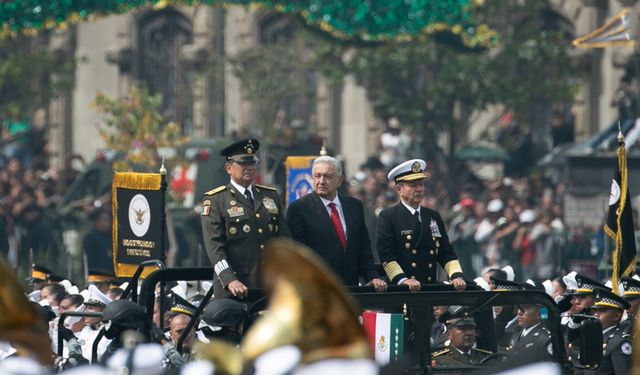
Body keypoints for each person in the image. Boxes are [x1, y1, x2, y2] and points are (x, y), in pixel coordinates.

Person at [201, 139, 289, 299]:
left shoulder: (270, 196)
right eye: (243, 163)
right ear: (229, 168)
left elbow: (284, 239)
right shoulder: (216, 200)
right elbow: (215, 249)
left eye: (253, 163)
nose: (250, 168)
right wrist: (229, 280)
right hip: (236, 288)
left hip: (270, 286)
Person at [286, 156, 385, 290]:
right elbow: (299, 254)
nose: (321, 181)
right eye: (317, 176)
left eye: (327, 176)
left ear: (339, 180)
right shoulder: (299, 208)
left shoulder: (354, 206)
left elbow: (363, 248)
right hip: (319, 288)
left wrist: (372, 277)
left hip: (351, 288)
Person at [377, 159, 465, 291]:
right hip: (402, 290)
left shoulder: (432, 216)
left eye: (421, 184)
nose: (419, 189)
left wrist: (456, 276)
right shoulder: (389, 216)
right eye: (413, 185)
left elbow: (445, 252)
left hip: (429, 289)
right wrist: (402, 280)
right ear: (399, 189)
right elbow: (387, 255)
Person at [582, 288, 632, 374]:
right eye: (595, 310)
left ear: (617, 315)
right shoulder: (595, 337)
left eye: (602, 311)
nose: (596, 314)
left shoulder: (619, 343)